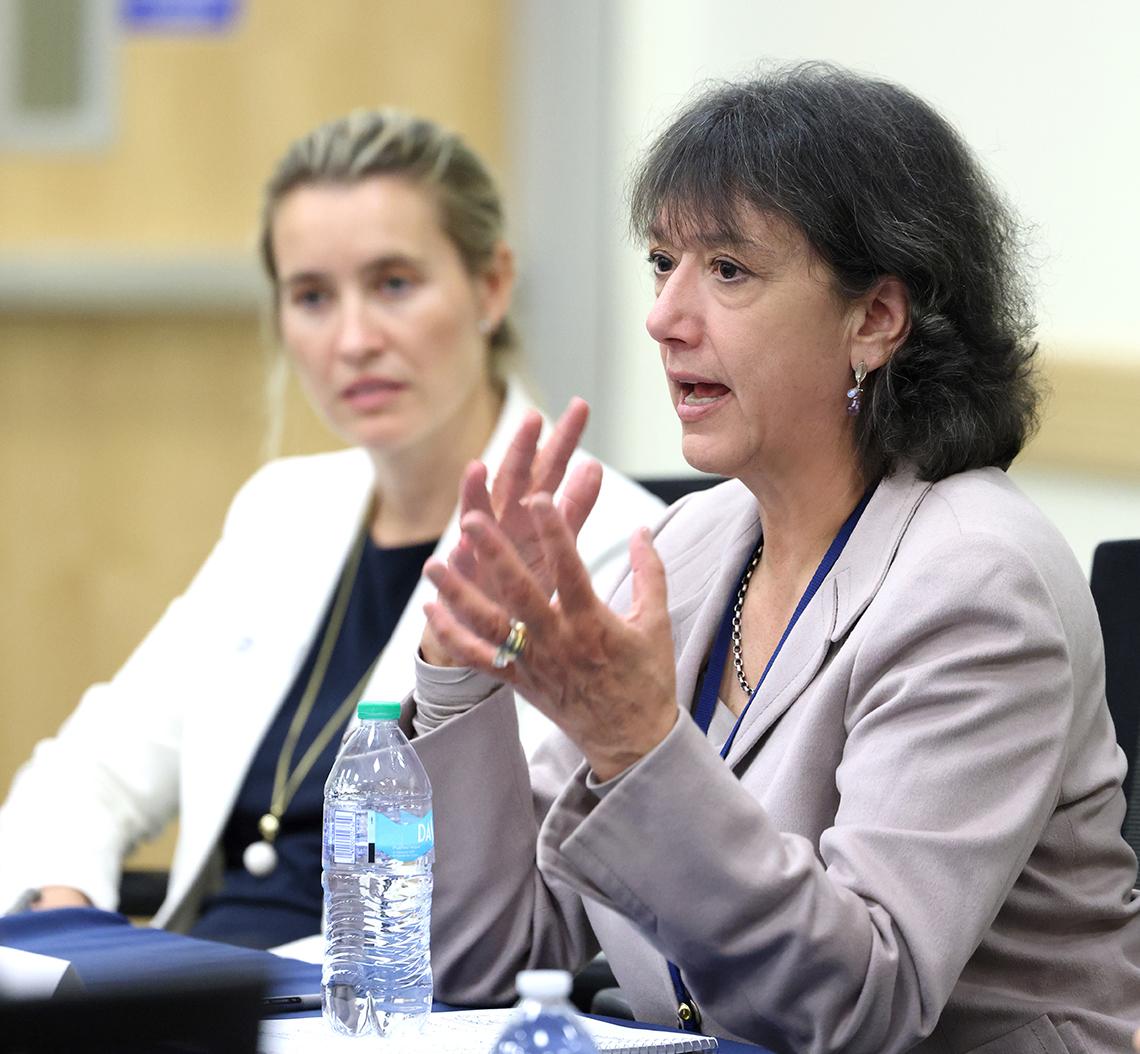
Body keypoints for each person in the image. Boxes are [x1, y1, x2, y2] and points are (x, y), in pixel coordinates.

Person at [406, 65, 1140, 1053]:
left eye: (728, 270)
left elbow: (854, 1008)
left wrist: (638, 745)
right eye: (662, 262)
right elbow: (487, 956)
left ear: (875, 319)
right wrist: (463, 673)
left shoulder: (977, 581)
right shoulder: (690, 546)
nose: (665, 316)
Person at [0, 110, 663, 946]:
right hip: (187, 984)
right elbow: (88, 772)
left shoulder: (603, 539)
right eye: (312, 297)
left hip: (383, 993)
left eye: (394, 284)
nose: (353, 340)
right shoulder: (283, 511)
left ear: (491, 286)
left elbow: (505, 895)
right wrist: (67, 924)